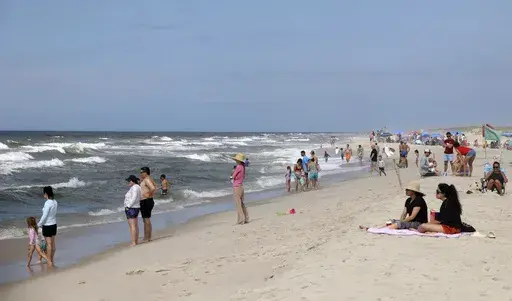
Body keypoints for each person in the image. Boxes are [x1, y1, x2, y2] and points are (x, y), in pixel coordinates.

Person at [360, 182, 428, 230]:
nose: (406, 191)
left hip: (419, 223)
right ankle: (376, 229)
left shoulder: (419, 200)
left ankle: (380, 230)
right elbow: (404, 213)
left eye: (407, 190)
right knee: (391, 221)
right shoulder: (408, 200)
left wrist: (402, 222)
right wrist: (401, 220)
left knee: (398, 224)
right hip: (411, 221)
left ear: (413, 191)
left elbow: (412, 216)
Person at [38, 186, 57, 267]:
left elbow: (45, 216)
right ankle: (51, 259)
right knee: (53, 244)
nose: (43, 194)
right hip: (54, 224)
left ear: (46, 193)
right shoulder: (55, 202)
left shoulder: (47, 203)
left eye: (44, 193)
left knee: (48, 244)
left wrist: (39, 224)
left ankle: (49, 261)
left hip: (47, 225)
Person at [139, 167, 156, 242]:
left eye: (142, 172)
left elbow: (152, 188)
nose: (141, 174)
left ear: (146, 172)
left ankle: (147, 237)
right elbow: (155, 187)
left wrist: (148, 195)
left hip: (146, 200)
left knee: (146, 219)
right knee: (146, 219)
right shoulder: (149, 179)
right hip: (148, 200)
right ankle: (148, 236)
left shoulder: (146, 179)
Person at [124, 175, 141, 246]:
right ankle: (135, 241)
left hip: (131, 208)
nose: (128, 182)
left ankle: (133, 242)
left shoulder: (134, 188)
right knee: (135, 225)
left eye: (129, 181)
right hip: (136, 207)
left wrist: (128, 206)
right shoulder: (138, 187)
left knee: (132, 226)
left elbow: (133, 198)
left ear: (132, 181)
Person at [232, 153, 248, 224]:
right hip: (241, 186)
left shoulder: (238, 167)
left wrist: (232, 174)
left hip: (237, 186)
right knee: (241, 203)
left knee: (238, 204)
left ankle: (241, 219)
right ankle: (246, 218)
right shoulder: (243, 167)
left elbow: (233, 176)